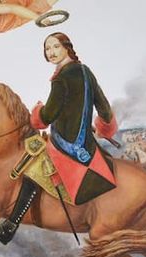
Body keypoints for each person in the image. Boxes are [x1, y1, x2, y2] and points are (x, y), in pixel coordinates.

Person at [31, 32, 117, 205]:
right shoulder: (85, 71)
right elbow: (104, 108)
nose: (51, 52)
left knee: (31, 170)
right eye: (47, 48)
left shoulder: (60, 79)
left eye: (56, 46)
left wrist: (36, 110)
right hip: (88, 147)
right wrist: (103, 128)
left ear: (67, 48)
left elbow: (47, 117)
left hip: (62, 147)